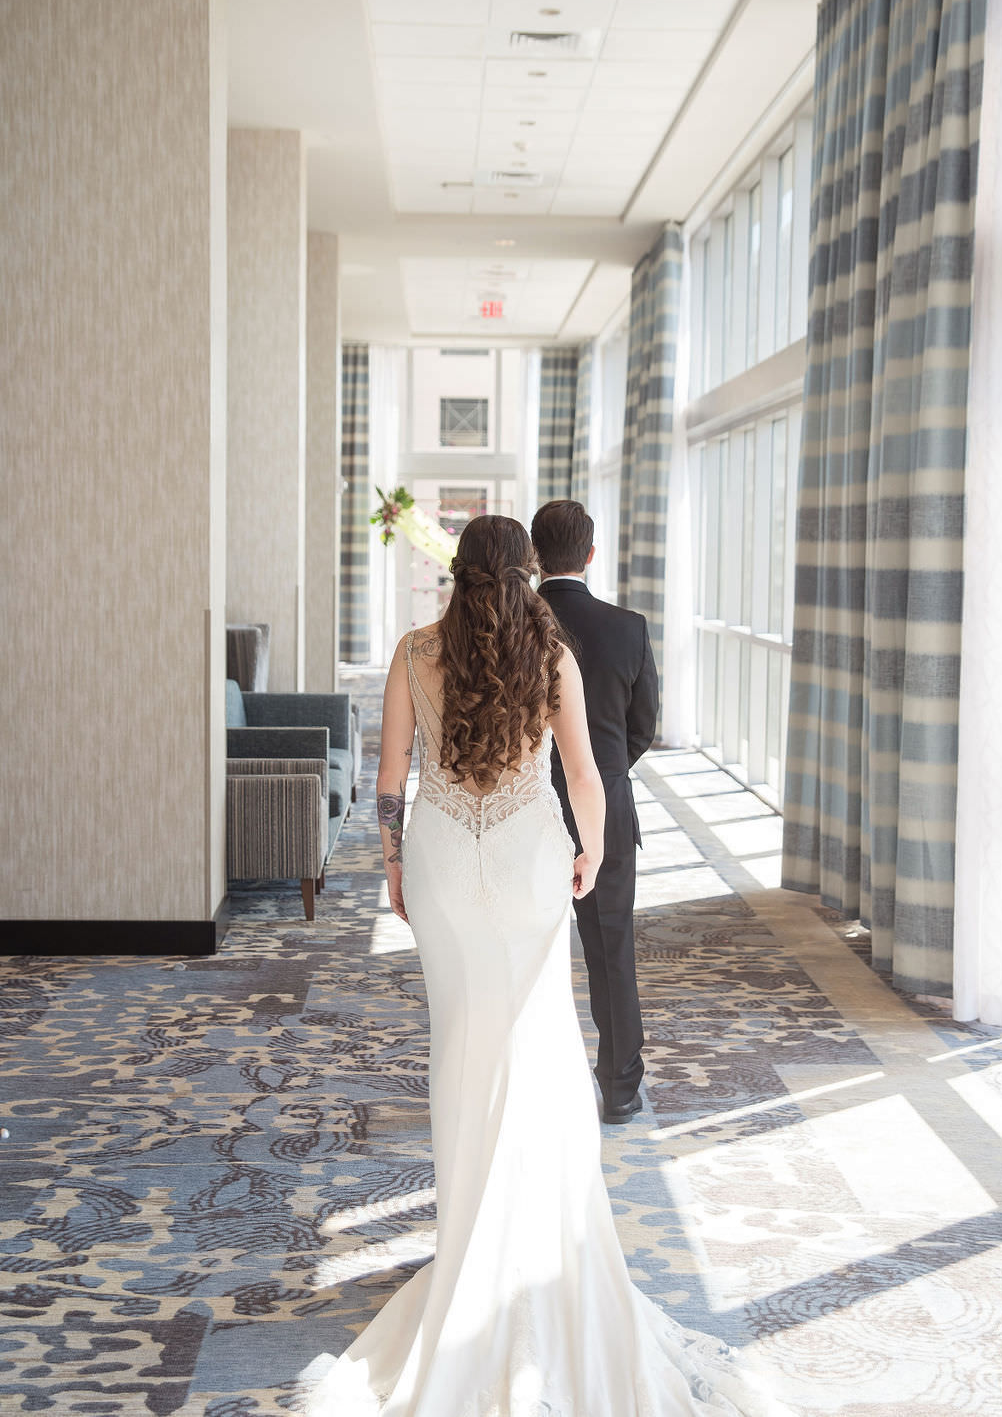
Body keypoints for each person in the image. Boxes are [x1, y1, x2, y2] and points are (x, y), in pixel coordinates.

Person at [306, 512, 788, 1417]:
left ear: (457, 573)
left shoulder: (414, 652)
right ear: (526, 571)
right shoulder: (553, 654)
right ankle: (532, 1236)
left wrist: (394, 864)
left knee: (460, 1043)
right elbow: (585, 775)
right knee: (538, 1037)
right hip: (532, 859)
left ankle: (469, 1244)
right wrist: (592, 855)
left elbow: (391, 778)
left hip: (446, 858)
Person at [532, 498, 659, 1125]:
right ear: (590, 553)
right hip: (603, 804)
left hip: (518, 806)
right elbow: (644, 729)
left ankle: (524, 1082)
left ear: (534, 555)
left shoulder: (512, 628)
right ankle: (620, 1088)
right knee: (611, 950)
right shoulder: (628, 628)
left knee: (522, 948)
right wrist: (603, 775)